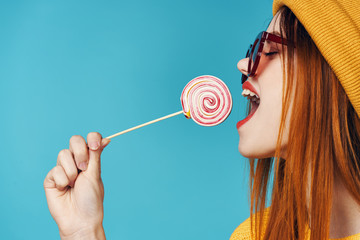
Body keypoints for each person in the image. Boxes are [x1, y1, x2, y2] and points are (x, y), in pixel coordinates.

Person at [44, 0, 360, 239]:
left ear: (335, 76)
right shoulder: (257, 234)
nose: (242, 63)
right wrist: (84, 231)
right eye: (253, 49)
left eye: (271, 50)